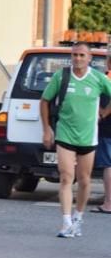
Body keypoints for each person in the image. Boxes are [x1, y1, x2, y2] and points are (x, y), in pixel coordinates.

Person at [40, 43, 111, 237]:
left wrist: (104, 112)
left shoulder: (98, 78)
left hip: (88, 138)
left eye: (82, 55)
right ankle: (66, 222)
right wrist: (47, 129)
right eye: (75, 55)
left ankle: (78, 218)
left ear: (89, 58)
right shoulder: (61, 76)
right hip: (65, 135)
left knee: (85, 181)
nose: (78, 59)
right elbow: (45, 101)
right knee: (65, 177)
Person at [93, 80, 111, 215]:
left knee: (109, 165)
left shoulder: (105, 80)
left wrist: (103, 112)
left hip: (107, 131)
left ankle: (109, 204)